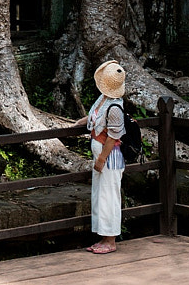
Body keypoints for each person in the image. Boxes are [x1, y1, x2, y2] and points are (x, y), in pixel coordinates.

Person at [79, 58, 126, 254]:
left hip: (110, 156)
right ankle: (103, 237)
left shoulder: (115, 107)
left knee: (109, 195)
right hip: (101, 152)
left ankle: (111, 241)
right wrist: (78, 123)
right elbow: (95, 117)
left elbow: (113, 136)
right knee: (101, 195)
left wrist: (101, 159)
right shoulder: (104, 99)